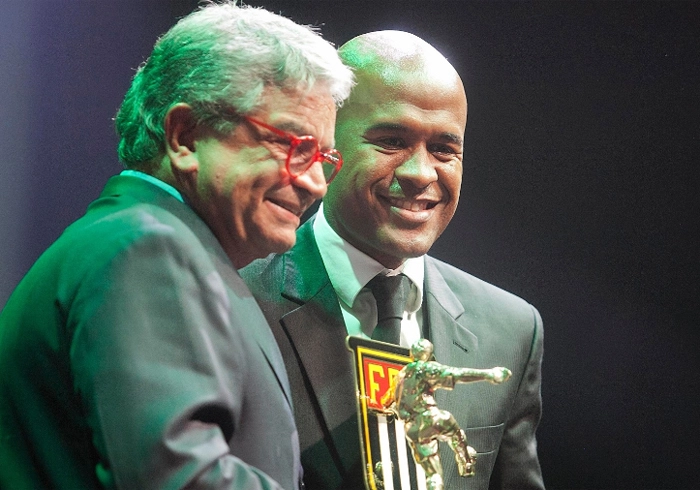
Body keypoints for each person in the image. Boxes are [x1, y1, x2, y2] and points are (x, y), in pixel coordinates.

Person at [0, 2, 353, 489]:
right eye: (295, 146)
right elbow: (178, 476)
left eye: (324, 158)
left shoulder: (162, 245)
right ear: (185, 136)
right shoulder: (144, 249)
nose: (315, 183)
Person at [240, 30, 545, 490]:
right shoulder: (235, 300)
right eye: (390, 140)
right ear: (323, 145)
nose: (421, 173)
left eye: (444, 148)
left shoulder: (511, 328)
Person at [382, 339, 511, 490]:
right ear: (427, 354)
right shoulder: (425, 369)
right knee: (451, 427)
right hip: (431, 418)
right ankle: (465, 458)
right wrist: (488, 374)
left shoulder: (399, 377)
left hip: (413, 430)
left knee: (434, 476)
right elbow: (456, 374)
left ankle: (439, 478)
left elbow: (386, 400)